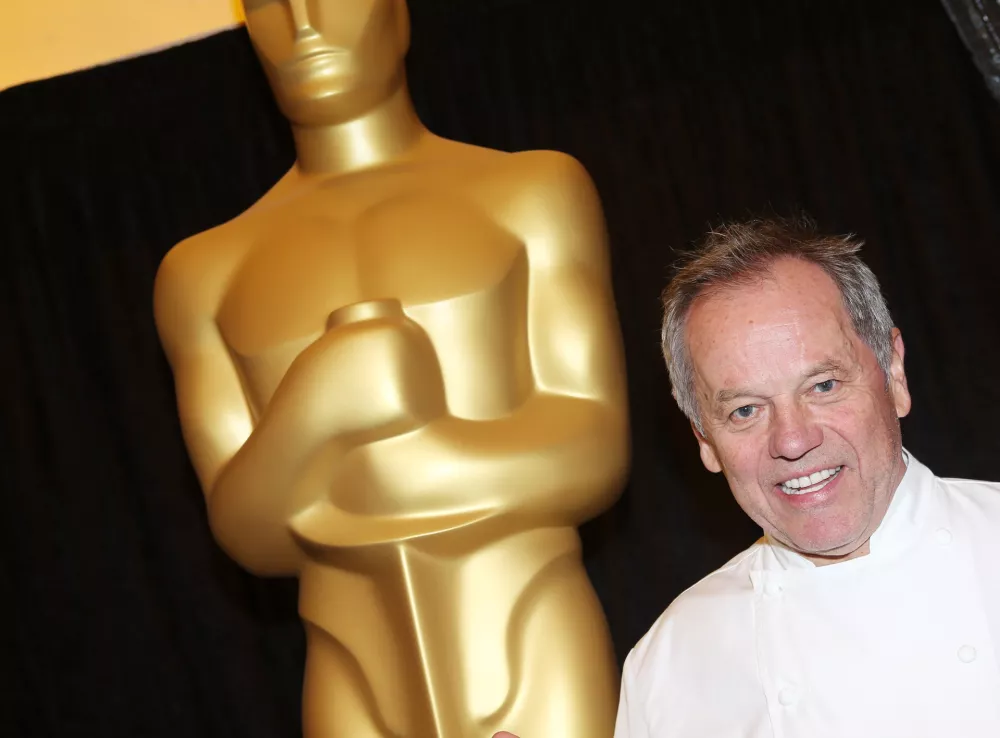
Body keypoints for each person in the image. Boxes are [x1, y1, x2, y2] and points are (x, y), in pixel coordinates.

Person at [612, 215, 1000, 737]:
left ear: (895, 373)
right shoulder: (671, 663)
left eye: (822, 385)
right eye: (746, 410)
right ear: (705, 440)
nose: (793, 441)